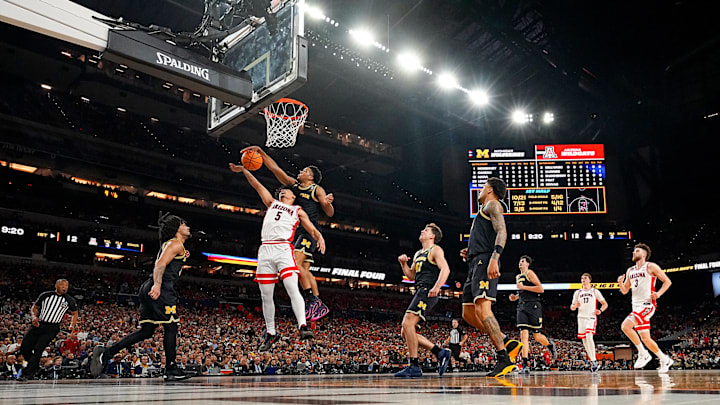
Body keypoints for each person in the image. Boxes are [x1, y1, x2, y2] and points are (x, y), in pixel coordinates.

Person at [229, 162, 325, 351]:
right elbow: (257, 185)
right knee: (266, 295)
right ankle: (271, 332)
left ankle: (302, 325)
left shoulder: (298, 211)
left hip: (283, 249)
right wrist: (245, 170)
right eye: (280, 192)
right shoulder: (271, 204)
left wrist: (319, 237)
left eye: (285, 191)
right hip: (265, 250)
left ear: (293, 196)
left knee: (291, 286)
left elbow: (311, 228)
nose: (282, 192)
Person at [90, 213, 193, 381]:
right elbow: (160, 264)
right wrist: (158, 285)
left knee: (147, 331)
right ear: (176, 228)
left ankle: (106, 353)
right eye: (183, 223)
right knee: (171, 327)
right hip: (161, 288)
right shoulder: (175, 244)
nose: (187, 226)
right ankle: (171, 369)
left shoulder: (174, 245)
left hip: (148, 286)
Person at [240, 146, 334, 321]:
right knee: (304, 269)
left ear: (311, 177)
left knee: (296, 265)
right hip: (297, 232)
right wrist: (261, 153)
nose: (301, 171)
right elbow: (275, 169)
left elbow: (329, 213)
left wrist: (327, 203)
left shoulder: (316, 189)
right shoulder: (293, 186)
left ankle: (312, 301)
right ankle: (317, 304)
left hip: (309, 231)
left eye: (305, 170)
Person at [460, 177, 521, 377]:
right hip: (475, 261)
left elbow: (502, 231)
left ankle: (504, 358)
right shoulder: (483, 210)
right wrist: (470, 251)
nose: (480, 190)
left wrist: (494, 257)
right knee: (468, 314)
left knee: (484, 309)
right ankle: (506, 341)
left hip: (485, 261)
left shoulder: (493, 204)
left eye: (482, 187)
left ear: (490, 189)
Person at [395, 223, 452, 378]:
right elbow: (412, 276)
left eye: (426, 230)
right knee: (405, 331)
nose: (422, 231)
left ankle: (414, 366)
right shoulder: (418, 253)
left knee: (407, 324)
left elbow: (445, 269)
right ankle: (440, 352)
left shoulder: (435, 249)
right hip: (420, 289)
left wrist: (437, 287)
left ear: (432, 236)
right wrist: (403, 264)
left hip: (428, 290)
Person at [618, 243, 674, 373]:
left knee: (625, 326)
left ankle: (643, 353)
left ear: (643, 254)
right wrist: (621, 283)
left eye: (636, 251)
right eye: (633, 251)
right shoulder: (630, 270)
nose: (633, 253)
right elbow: (625, 290)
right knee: (645, 339)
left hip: (647, 305)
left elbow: (667, 281)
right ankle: (665, 359)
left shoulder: (651, 266)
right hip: (636, 306)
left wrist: (658, 294)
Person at [18, 279, 78, 381]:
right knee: (24, 348)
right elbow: (34, 307)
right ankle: (35, 366)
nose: (64, 287)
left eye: (66, 285)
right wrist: (33, 317)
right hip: (39, 324)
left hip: (52, 327)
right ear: (56, 286)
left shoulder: (70, 300)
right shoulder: (46, 295)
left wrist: (72, 326)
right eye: (62, 285)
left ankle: (27, 374)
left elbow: (75, 313)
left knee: (38, 349)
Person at [508, 255, 557, 374]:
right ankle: (525, 365)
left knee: (536, 335)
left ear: (527, 264)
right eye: (519, 261)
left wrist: (524, 286)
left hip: (533, 305)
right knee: (523, 335)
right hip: (521, 306)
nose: (520, 263)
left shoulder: (530, 273)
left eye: (523, 261)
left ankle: (550, 345)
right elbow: (522, 291)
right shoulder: (517, 277)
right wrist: (515, 297)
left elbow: (540, 289)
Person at [570, 273, 609, 372]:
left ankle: (594, 360)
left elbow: (605, 304)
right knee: (584, 341)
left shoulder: (595, 291)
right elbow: (572, 307)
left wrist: (600, 311)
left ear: (590, 280)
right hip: (581, 317)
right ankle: (593, 361)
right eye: (582, 278)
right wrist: (575, 306)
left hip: (591, 317)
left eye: (585, 278)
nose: (583, 279)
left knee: (589, 335)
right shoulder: (577, 292)